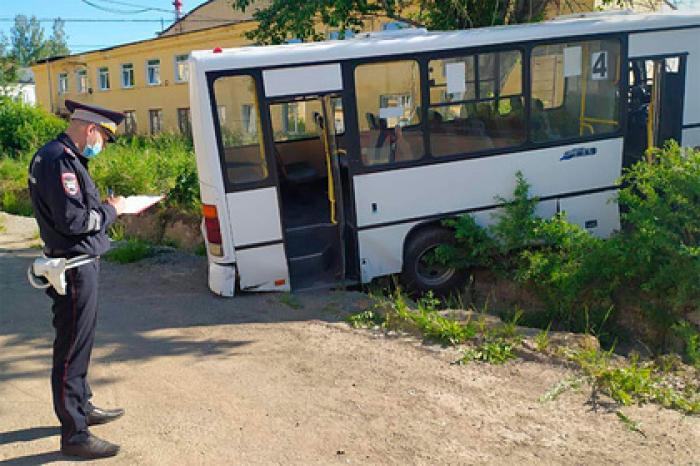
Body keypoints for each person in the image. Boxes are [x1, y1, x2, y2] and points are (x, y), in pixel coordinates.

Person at [28, 100, 127, 459]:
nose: (101, 144)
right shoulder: (60, 161)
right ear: (91, 129)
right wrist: (114, 210)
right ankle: (74, 434)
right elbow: (74, 222)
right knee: (71, 350)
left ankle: (82, 406)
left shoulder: (62, 156)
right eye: (103, 137)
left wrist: (103, 208)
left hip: (78, 263)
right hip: (73, 266)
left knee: (79, 344)